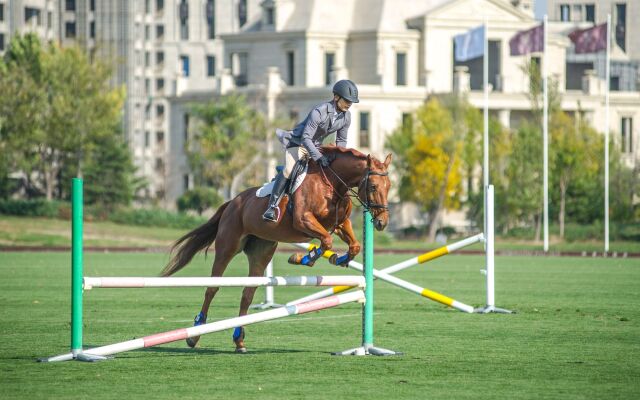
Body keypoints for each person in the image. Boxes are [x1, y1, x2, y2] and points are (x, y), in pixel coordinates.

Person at [262, 79, 359, 222]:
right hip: (298, 143)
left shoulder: (346, 116)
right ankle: (272, 207)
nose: (349, 104)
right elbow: (306, 138)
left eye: (351, 101)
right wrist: (319, 157)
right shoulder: (319, 112)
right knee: (289, 170)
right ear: (336, 97)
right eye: (347, 100)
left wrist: (340, 158)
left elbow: (341, 141)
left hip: (316, 145)